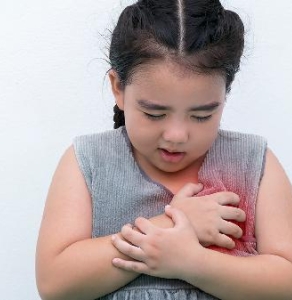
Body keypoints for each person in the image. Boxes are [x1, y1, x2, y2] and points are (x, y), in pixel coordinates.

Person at [35, 0, 292, 299]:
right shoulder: (90, 160)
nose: (177, 135)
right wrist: (173, 225)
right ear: (118, 88)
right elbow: (55, 284)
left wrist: (193, 263)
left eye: (202, 115)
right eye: (154, 114)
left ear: (225, 94)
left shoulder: (252, 161)